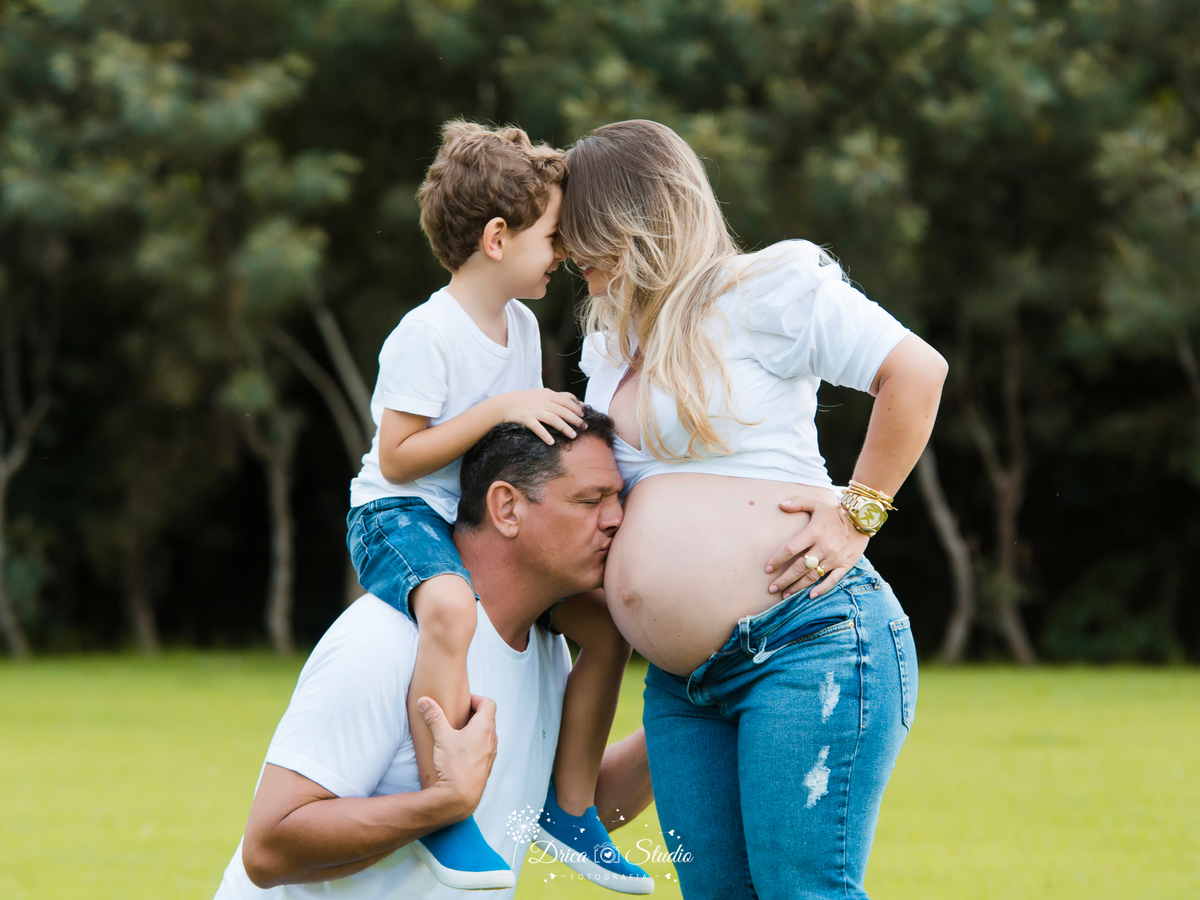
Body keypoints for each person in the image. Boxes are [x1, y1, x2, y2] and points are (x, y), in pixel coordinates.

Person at [559, 120, 949, 899]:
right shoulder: (610, 351)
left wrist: (858, 511)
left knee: (804, 890)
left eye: (584, 241)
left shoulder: (767, 290)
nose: (575, 265)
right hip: (685, 686)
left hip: (808, 644)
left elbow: (915, 371)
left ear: (634, 223)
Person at [345, 120, 648, 889]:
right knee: (447, 609)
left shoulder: (516, 322)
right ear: (496, 238)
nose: (565, 255)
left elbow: (516, 439)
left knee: (605, 627)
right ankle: (444, 809)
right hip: (399, 518)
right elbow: (398, 455)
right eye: (553, 237)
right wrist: (500, 410)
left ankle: (569, 807)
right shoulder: (429, 332)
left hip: (466, 519)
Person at [214, 409, 655, 900]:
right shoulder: (386, 638)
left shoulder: (550, 651)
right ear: (507, 508)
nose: (616, 518)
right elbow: (268, 848)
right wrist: (441, 805)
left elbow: (570, 807)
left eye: (618, 499)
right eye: (589, 500)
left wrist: (688, 706)